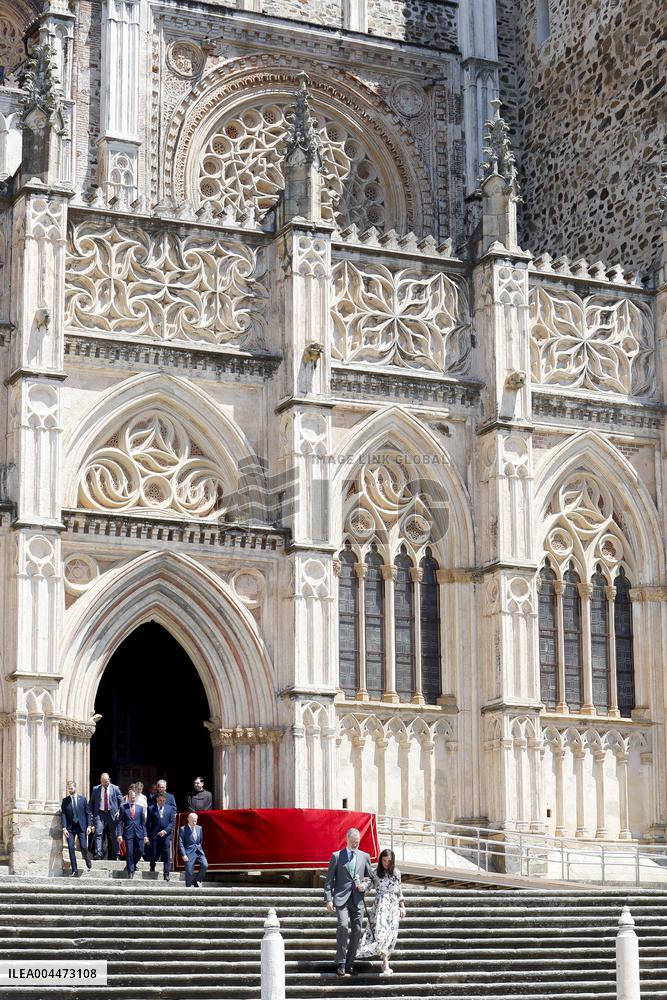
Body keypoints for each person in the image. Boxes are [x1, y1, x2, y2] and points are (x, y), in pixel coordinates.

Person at [324, 827, 374, 977]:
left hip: (357, 900)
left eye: (357, 843)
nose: (355, 845)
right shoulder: (337, 856)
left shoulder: (365, 856)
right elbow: (328, 881)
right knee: (343, 926)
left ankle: (350, 963)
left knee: (358, 930)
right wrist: (328, 899)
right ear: (347, 840)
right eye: (353, 842)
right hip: (341, 899)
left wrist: (364, 886)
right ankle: (341, 962)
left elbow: (371, 878)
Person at [356, 848, 405, 975]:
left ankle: (384, 961)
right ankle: (386, 964)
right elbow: (368, 885)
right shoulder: (375, 873)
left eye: (389, 861)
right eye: (384, 860)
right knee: (382, 933)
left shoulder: (396, 873)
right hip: (381, 906)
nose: (386, 863)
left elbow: (399, 890)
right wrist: (362, 886)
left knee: (391, 935)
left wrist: (402, 906)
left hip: (393, 907)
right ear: (380, 860)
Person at [61, 781, 93, 877]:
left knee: (83, 847)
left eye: (71, 788)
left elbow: (88, 814)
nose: (69, 790)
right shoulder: (65, 801)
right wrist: (64, 828)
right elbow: (63, 815)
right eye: (68, 789)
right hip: (70, 828)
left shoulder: (82, 799)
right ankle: (74, 870)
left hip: (81, 826)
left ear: (75, 788)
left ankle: (87, 858)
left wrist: (89, 826)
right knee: (71, 847)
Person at [91, 772, 122, 860]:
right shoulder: (96, 789)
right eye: (103, 781)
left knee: (114, 834)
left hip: (111, 813)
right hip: (100, 814)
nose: (105, 783)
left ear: (109, 780)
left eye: (107, 781)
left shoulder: (115, 788)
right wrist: (92, 816)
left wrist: (119, 811)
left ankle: (116, 854)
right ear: (100, 780)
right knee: (98, 833)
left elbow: (122, 802)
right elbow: (92, 803)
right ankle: (98, 854)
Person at [116, 788, 147, 879]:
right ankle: (131, 871)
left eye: (134, 797)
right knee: (129, 852)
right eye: (132, 797)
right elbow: (120, 822)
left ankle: (132, 863)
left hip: (139, 833)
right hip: (128, 833)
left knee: (140, 851)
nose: (133, 799)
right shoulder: (123, 807)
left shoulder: (140, 808)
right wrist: (119, 834)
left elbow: (143, 823)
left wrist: (145, 835)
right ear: (128, 797)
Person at [146, 792, 176, 881]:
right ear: (157, 800)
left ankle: (166, 874)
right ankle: (152, 865)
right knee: (154, 853)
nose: (162, 802)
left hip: (166, 835)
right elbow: (148, 823)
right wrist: (146, 836)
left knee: (166, 854)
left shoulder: (170, 809)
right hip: (154, 835)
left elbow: (172, 822)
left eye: (163, 800)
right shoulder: (151, 809)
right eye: (160, 800)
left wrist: (165, 831)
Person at [178, 812, 208, 888]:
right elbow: (181, 843)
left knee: (205, 865)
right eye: (193, 820)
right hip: (189, 852)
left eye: (196, 820)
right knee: (189, 871)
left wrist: (200, 849)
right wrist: (184, 854)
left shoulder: (199, 828)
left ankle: (196, 880)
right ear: (188, 819)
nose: (194, 822)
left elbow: (200, 840)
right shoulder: (183, 829)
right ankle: (188, 888)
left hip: (199, 850)